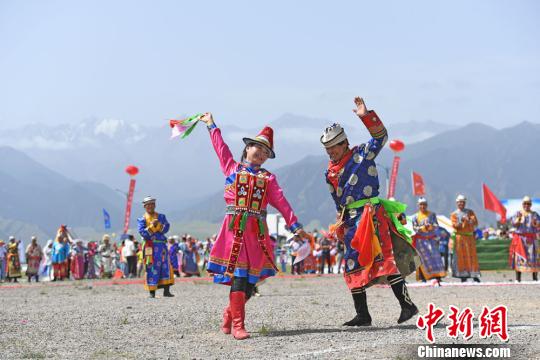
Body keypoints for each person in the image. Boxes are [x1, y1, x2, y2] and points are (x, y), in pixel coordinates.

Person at [197, 112, 307, 340]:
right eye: (258, 147)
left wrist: (295, 226)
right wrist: (211, 125)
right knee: (239, 275)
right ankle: (239, 325)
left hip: (256, 233)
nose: (261, 153)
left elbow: (282, 203)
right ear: (247, 148)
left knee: (251, 280)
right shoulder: (232, 168)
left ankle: (229, 313)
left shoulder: (269, 179)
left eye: (266, 152)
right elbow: (221, 148)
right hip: (234, 230)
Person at [320, 97, 419, 327]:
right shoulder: (329, 173)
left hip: (372, 215)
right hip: (351, 222)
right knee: (351, 263)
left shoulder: (363, 154)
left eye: (333, 147)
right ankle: (363, 315)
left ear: (344, 143)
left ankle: (407, 305)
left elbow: (380, 137)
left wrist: (366, 115)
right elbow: (336, 199)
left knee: (384, 259)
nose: (330, 152)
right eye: (326, 149)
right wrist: (340, 221)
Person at [137, 196, 174, 298]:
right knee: (151, 267)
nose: (150, 206)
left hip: (161, 246)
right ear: (144, 206)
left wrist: (159, 225)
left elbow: (166, 228)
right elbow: (143, 233)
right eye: (148, 205)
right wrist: (152, 226)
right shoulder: (142, 219)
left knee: (165, 266)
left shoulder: (161, 217)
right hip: (150, 246)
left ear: (155, 205)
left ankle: (166, 290)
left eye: (152, 204)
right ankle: (152, 292)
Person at [411, 198, 446, 284]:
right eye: (421, 204)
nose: (422, 206)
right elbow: (414, 228)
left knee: (435, 258)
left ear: (426, 205)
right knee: (422, 259)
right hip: (420, 241)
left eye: (424, 204)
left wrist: (430, 226)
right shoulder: (415, 216)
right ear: (418, 205)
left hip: (431, 239)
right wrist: (422, 228)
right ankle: (423, 276)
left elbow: (436, 225)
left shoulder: (432, 214)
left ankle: (437, 276)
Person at [450, 195, 481, 282]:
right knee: (461, 256)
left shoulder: (470, 212)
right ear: (457, 203)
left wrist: (469, 220)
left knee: (472, 256)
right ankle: (463, 276)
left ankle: (474, 274)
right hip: (460, 237)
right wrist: (462, 221)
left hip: (469, 237)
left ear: (465, 203)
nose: (461, 203)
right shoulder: (454, 214)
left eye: (462, 202)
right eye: (459, 202)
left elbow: (475, 222)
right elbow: (454, 225)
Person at [509, 196, 539, 282]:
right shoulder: (518, 213)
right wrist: (518, 219)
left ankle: (535, 277)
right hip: (520, 238)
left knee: (534, 257)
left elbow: (538, 225)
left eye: (528, 203)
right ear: (522, 204)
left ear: (531, 204)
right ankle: (518, 278)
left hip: (531, 238)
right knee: (519, 257)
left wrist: (536, 223)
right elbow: (513, 223)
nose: (526, 205)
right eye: (525, 203)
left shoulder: (534, 214)